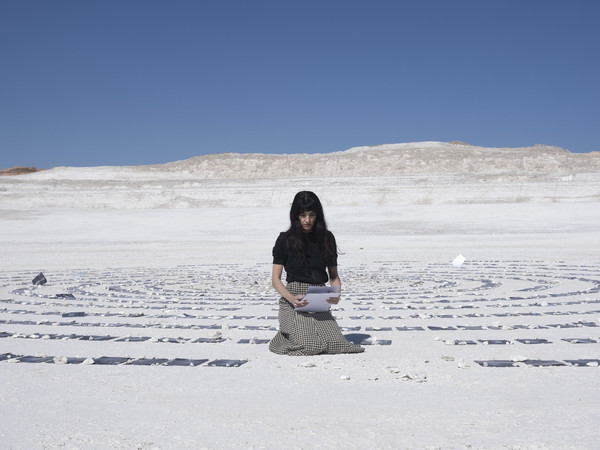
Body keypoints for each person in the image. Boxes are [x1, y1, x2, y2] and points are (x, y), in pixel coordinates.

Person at [268, 191, 364, 355]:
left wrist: (336, 293)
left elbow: (334, 276)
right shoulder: (285, 239)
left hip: (318, 298)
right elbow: (275, 279)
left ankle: (292, 333)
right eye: (303, 215)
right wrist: (291, 298)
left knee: (336, 345)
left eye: (312, 215)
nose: (307, 220)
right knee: (310, 346)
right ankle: (283, 337)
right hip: (294, 300)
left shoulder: (326, 238)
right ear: (296, 216)